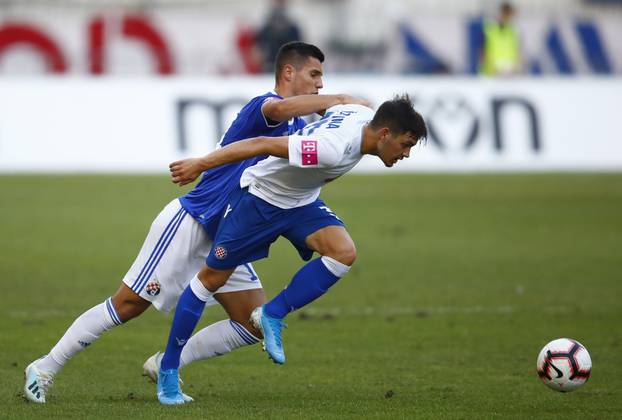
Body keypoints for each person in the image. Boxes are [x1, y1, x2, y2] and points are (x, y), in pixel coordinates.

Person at [23, 41, 368, 404]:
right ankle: (44, 367)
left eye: (322, 79)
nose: (319, 84)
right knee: (129, 305)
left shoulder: (302, 127)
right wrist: (341, 99)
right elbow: (279, 108)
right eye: (314, 75)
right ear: (288, 72)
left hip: (233, 231)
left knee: (251, 323)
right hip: (194, 220)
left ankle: (167, 363)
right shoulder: (265, 107)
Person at [157, 94, 427, 404]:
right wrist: (201, 163)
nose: (406, 153)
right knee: (210, 279)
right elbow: (261, 143)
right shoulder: (331, 149)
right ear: (384, 134)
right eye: (405, 144)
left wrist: (343, 100)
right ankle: (168, 369)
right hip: (260, 201)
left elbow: (350, 102)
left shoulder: (359, 112)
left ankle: (272, 313)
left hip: (301, 203)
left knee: (343, 252)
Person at [479, 2, 522, 76]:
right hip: (491, 74)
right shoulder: (489, 30)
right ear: (501, 13)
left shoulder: (513, 31)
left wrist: (516, 68)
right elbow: (483, 53)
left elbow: (517, 52)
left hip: (509, 74)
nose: (508, 18)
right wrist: (490, 69)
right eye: (507, 14)